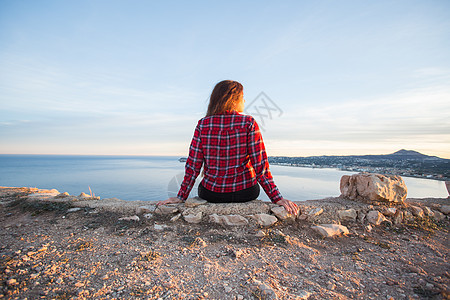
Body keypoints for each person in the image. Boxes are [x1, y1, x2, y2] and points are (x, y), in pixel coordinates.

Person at [157, 80, 299, 215]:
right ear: (233, 100)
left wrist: (181, 196)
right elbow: (260, 165)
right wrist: (276, 197)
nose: (244, 101)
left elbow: (193, 166)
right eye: (242, 97)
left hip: (212, 194)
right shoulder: (248, 123)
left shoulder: (203, 124)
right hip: (246, 192)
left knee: (204, 185)